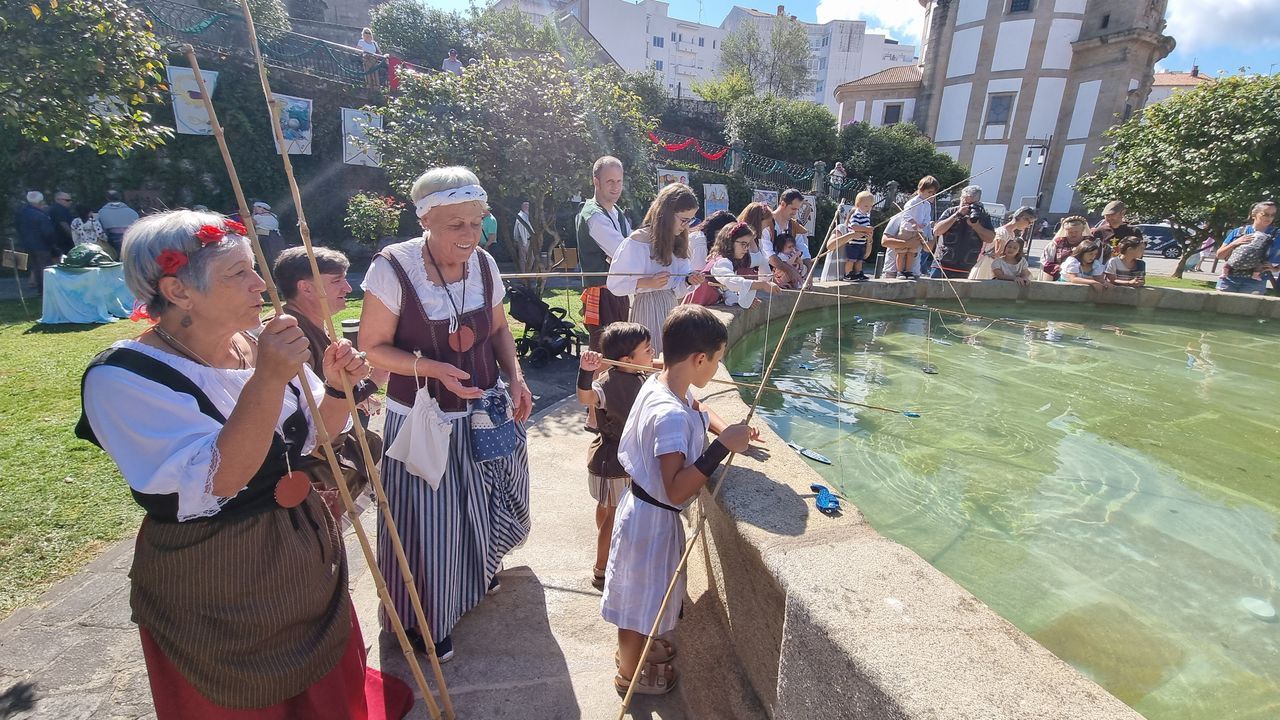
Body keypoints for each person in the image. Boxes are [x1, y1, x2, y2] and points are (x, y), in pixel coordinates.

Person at [75, 210, 412, 718]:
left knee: (326, 685)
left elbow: (315, 436)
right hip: (214, 571)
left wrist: (342, 388)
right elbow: (221, 479)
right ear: (178, 290)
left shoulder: (258, 346)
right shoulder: (123, 377)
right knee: (241, 700)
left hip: (300, 546)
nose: (260, 284)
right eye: (238, 273)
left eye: (254, 268)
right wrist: (269, 380)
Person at [359, 166, 533, 662]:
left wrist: (515, 377)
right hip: (421, 418)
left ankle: (480, 571)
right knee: (428, 519)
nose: (469, 235)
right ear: (427, 220)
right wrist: (431, 367)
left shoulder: (483, 263)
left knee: (485, 494)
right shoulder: (392, 269)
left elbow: (499, 330)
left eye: (476, 222)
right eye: (456, 224)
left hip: (481, 406)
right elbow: (371, 348)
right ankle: (425, 618)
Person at [601, 304, 755, 696]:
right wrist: (721, 447)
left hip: (643, 512)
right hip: (651, 521)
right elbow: (676, 488)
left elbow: (699, 408)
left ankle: (634, 653)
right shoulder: (668, 414)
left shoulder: (660, 382)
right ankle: (629, 675)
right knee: (638, 607)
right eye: (716, 361)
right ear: (699, 358)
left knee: (644, 595)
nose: (716, 369)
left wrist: (726, 428)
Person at [575, 322, 655, 590]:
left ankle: (605, 548)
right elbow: (586, 397)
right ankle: (601, 568)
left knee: (607, 509)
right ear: (626, 359)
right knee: (613, 516)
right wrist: (586, 373)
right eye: (647, 349)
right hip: (613, 462)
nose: (652, 352)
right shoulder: (607, 384)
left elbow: (662, 366)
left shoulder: (638, 374)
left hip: (614, 461)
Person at [606, 183, 705, 355]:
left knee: (671, 357)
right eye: (684, 220)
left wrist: (689, 280)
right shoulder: (638, 241)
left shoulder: (679, 240)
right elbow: (615, 284)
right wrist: (648, 282)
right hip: (647, 307)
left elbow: (677, 289)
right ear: (666, 214)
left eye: (690, 220)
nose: (686, 225)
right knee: (649, 357)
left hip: (671, 307)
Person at [577, 156, 633, 353]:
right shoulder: (594, 215)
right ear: (596, 182)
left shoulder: (616, 212)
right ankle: (592, 385)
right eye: (610, 181)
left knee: (620, 351)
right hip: (603, 294)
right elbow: (624, 253)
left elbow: (627, 250)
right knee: (604, 353)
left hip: (616, 291)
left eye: (619, 181)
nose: (616, 187)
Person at [696, 221, 775, 307]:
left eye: (748, 245)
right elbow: (731, 281)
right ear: (729, 242)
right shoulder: (721, 262)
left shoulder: (732, 262)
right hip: (694, 310)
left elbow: (727, 292)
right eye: (743, 244)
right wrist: (760, 285)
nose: (746, 248)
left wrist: (742, 300)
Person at [930, 185, 994, 279]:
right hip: (941, 265)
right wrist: (957, 215)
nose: (967, 207)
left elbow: (990, 238)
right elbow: (936, 231)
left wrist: (976, 226)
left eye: (971, 204)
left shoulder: (983, 216)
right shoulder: (950, 212)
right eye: (964, 203)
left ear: (978, 202)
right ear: (961, 199)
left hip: (966, 267)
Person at [882, 175, 940, 277]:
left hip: (914, 272)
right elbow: (885, 242)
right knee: (903, 252)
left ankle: (908, 270)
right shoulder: (899, 217)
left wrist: (931, 234)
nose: (931, 196)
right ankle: (901, 271)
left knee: (912, 252)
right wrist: (909, 243)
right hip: (892, 272)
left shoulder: (925, 218)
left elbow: (928, 249)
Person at [1217, 201, 1279, 294]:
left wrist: (1276, 269)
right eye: (1265, 214)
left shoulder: (1277, 235)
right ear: (1254, 215)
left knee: (1247, 308)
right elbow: (1220, 255)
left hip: (1256, 281)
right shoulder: (1238, 232)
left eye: (1272, 215)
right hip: (1229, 278)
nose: (1269, 218)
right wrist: (1234, 243)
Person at [973, 206, 1035, 280]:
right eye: (1030, 222)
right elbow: (997, 254)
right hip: (990, 266)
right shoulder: (1002, 232)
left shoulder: (1011, 233)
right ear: (1023, 218)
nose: (1028, 226)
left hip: (996, 266)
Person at [764, 189, 811, 286]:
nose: (795, 213)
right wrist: (790, 270)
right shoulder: (766, 223)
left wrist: (809, 273)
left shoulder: (793, 226)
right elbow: (768, 255)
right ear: (783, 204)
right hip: (768, 274)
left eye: (797, 209)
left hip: (789, 276)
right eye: (793, 209)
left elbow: (803, 250)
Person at [15, 190, 55, 293]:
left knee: (36, 268)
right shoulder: (41, 215)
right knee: (45, 268)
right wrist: (53, 247)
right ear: (40, 202)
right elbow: (48, 233)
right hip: (42, 246)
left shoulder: (21, 213)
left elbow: (18, 227)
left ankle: (40, 290)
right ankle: (47, 291)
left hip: (28, 245)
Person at [1040, 216, 1092, 281]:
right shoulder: (1057, 243)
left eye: (1076, 232)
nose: (1073, 234)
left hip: (1084, 277)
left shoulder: (1090, 243)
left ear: (1082, 230)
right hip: (1058, 276)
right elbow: (1045, 262)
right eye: (1070, 232)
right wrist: (1062, 268)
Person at [686, 210, 736, 274]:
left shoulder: (706, 238)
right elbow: (698, 274)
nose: (730, 237)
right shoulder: (700, 242)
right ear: (717, 231)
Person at [841, 191, 875, 281]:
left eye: (871, 206)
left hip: (861, 242)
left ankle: (858, 272)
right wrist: (866, 229)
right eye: (866, 206)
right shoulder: (857, 215)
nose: (869, 208)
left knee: (860, 259)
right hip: (853, 242)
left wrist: (869, 233)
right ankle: (847, 274)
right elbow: (854, 226)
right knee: (851, 259)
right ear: (858, 204)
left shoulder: (866, 216)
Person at [734, 202, 773, 276]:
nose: (767, 227)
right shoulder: (738, 240)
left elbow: (764, 266)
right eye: (766, 224)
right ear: (758, 221)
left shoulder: (758, 241)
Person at [97, 190, 140, 255]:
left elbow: (100, 228)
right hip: (129, 237)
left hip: (112, 238)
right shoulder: (132, 211)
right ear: (120, 198)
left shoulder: (102, 212)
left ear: (107, 198)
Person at [251, 200, 286, 271]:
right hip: (277, 237)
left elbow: (251, 223)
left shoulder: (257, 217)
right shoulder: (274, 216)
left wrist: (253, 214)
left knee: (268, 257)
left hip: (265, 237)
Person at [49, 191, 76, 256]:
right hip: (63, 242)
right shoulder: (59, 209)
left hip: (60, 242)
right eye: (67, 200)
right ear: (58, 200)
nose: (70, 202)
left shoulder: (56, 209)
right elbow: (64, 224)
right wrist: (74, 238)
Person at [513, 201, 533, 268]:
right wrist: (524, 242)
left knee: (531, 258)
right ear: (522, 207)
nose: (527, 207)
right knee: (524, 259)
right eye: (525, 205)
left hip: (529, 240)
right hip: (523, 240)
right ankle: (524, 275)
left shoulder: (527, 215)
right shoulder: (521, 216)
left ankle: (529, 274)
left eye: (528, 205)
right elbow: (522, 230)